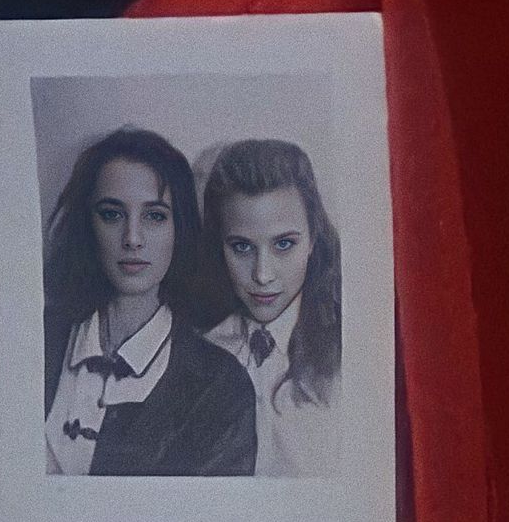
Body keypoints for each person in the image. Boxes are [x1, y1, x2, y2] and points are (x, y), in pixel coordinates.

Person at [44, 127, 257, 476]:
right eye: (112, 214)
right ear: (87, 224)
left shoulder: (221, 389)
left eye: (155, 216)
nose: (133, 238)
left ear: (180, 227)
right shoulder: (40, 337)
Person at [201, 139, 341, 477]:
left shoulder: (350, 354)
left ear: (312, 240)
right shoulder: (199, 349)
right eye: (242, 247)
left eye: (283, 244)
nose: (262, 275)